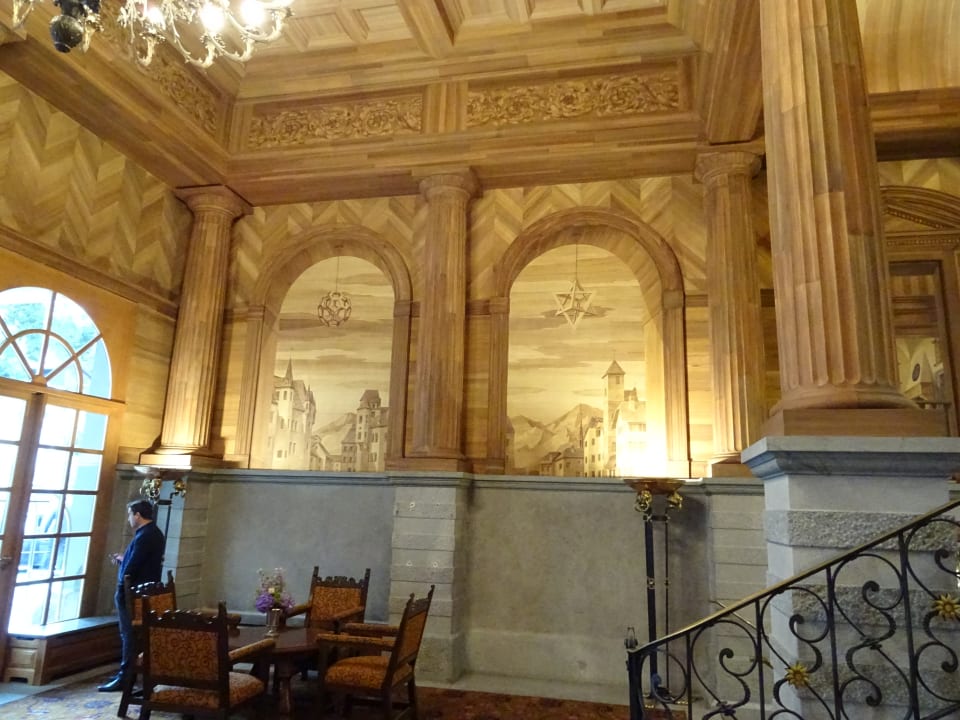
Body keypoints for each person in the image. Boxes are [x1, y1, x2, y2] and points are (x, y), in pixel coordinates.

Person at [97, 499, 165, 692]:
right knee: (131, 635)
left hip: (132, 592)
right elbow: (141, 560)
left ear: (137, 515)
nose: (128, 519)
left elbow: (132, 567)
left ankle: (125, 677)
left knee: (128, 635)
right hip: (143, 589)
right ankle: (127, 674)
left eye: (129, 514)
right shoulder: (154, 532)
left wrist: (122, 582)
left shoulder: (145, 536)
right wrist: (123, 558)